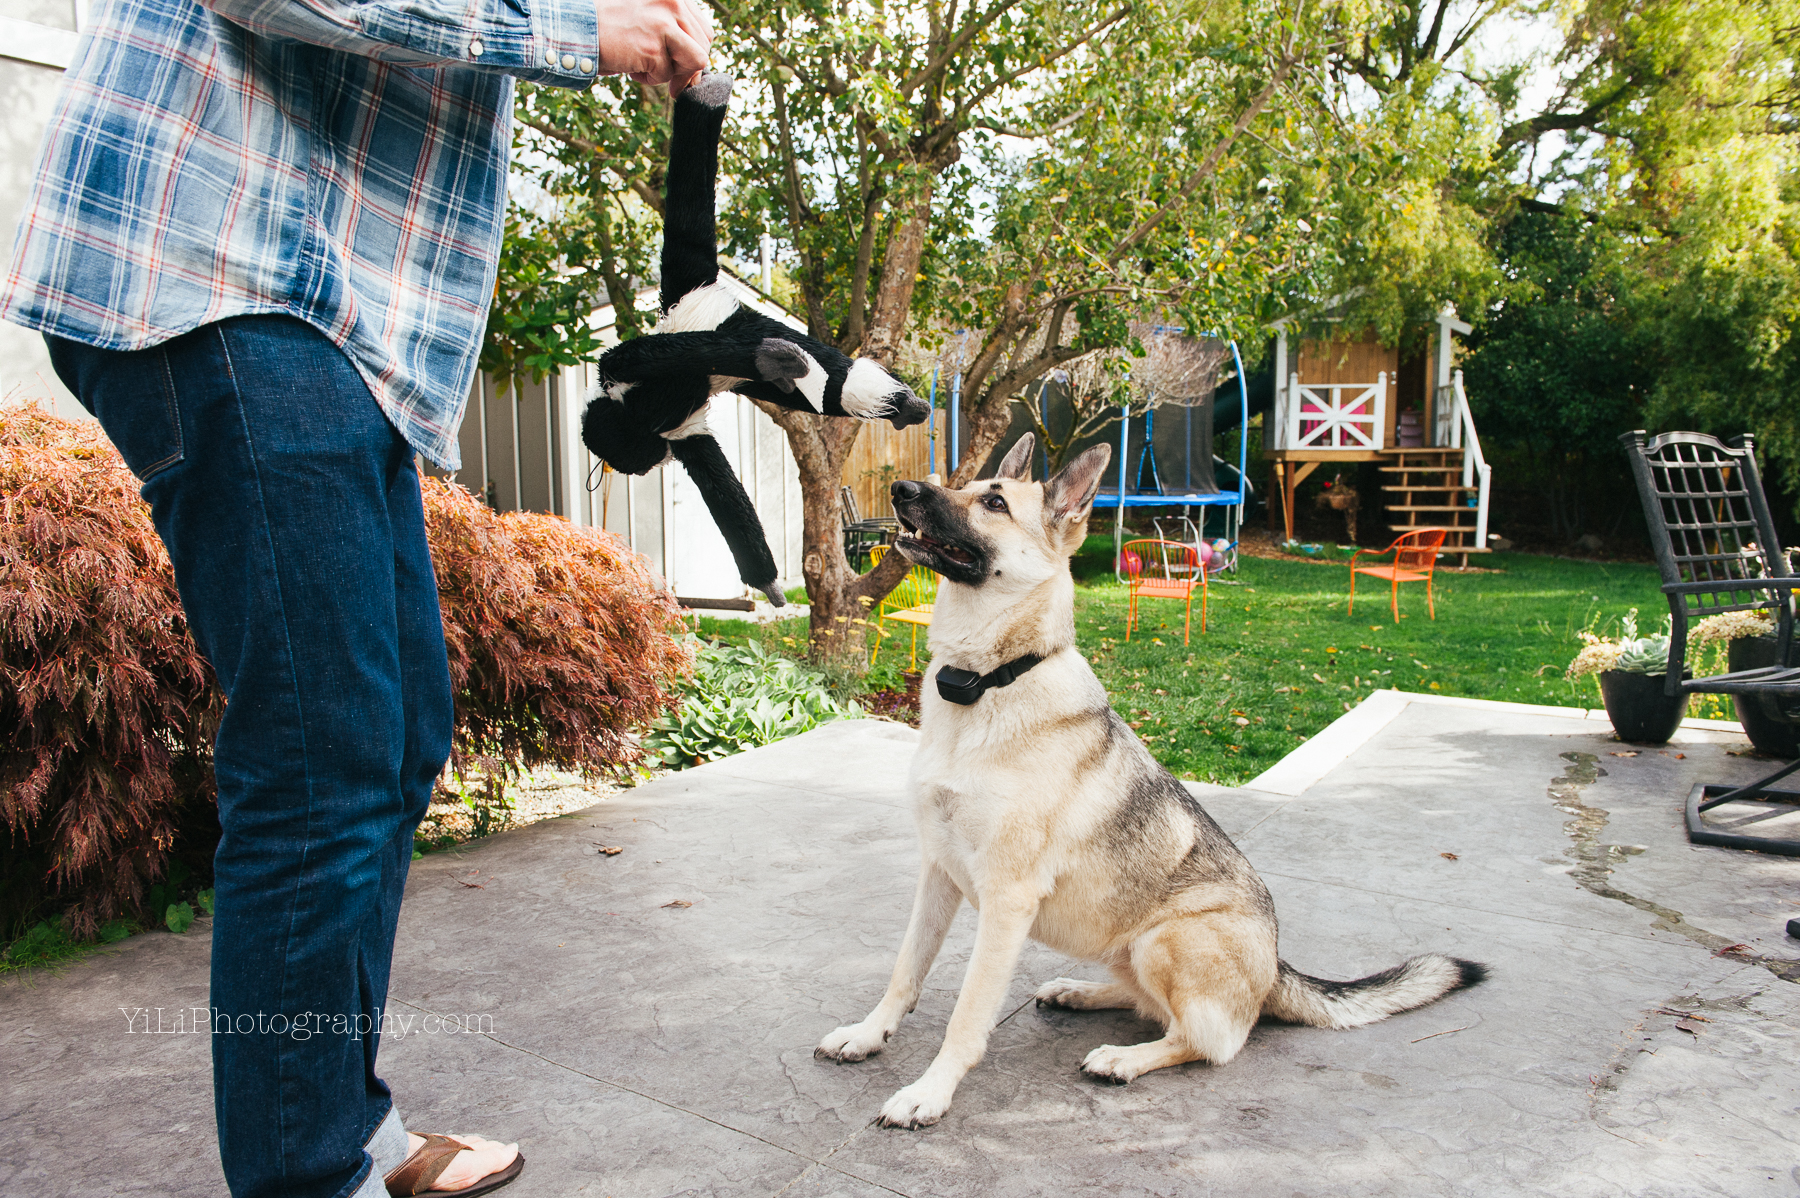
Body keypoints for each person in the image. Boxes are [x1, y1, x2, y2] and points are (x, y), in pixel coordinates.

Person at [1, 0, 710, 1195]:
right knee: (323, 753)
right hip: (219, 269)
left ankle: (342, 1134)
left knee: (389, 739)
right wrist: (576, 30)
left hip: (320, 317)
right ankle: (307, 1171)